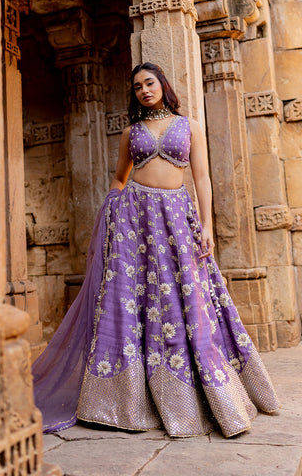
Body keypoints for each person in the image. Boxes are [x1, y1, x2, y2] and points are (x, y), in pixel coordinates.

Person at [32, 62, 280, 438]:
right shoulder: (132, 132)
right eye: (137, 87)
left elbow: (201, 178)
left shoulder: (189, 125)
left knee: (191, 299)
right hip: (134, 221)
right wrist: (115, 206)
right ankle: (126, 401)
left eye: (149, 83)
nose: (144, 90)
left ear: (162, 85)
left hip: (177, 219)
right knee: (134, 301)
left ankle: (203, 395)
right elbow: (119, 176)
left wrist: (207, 226)